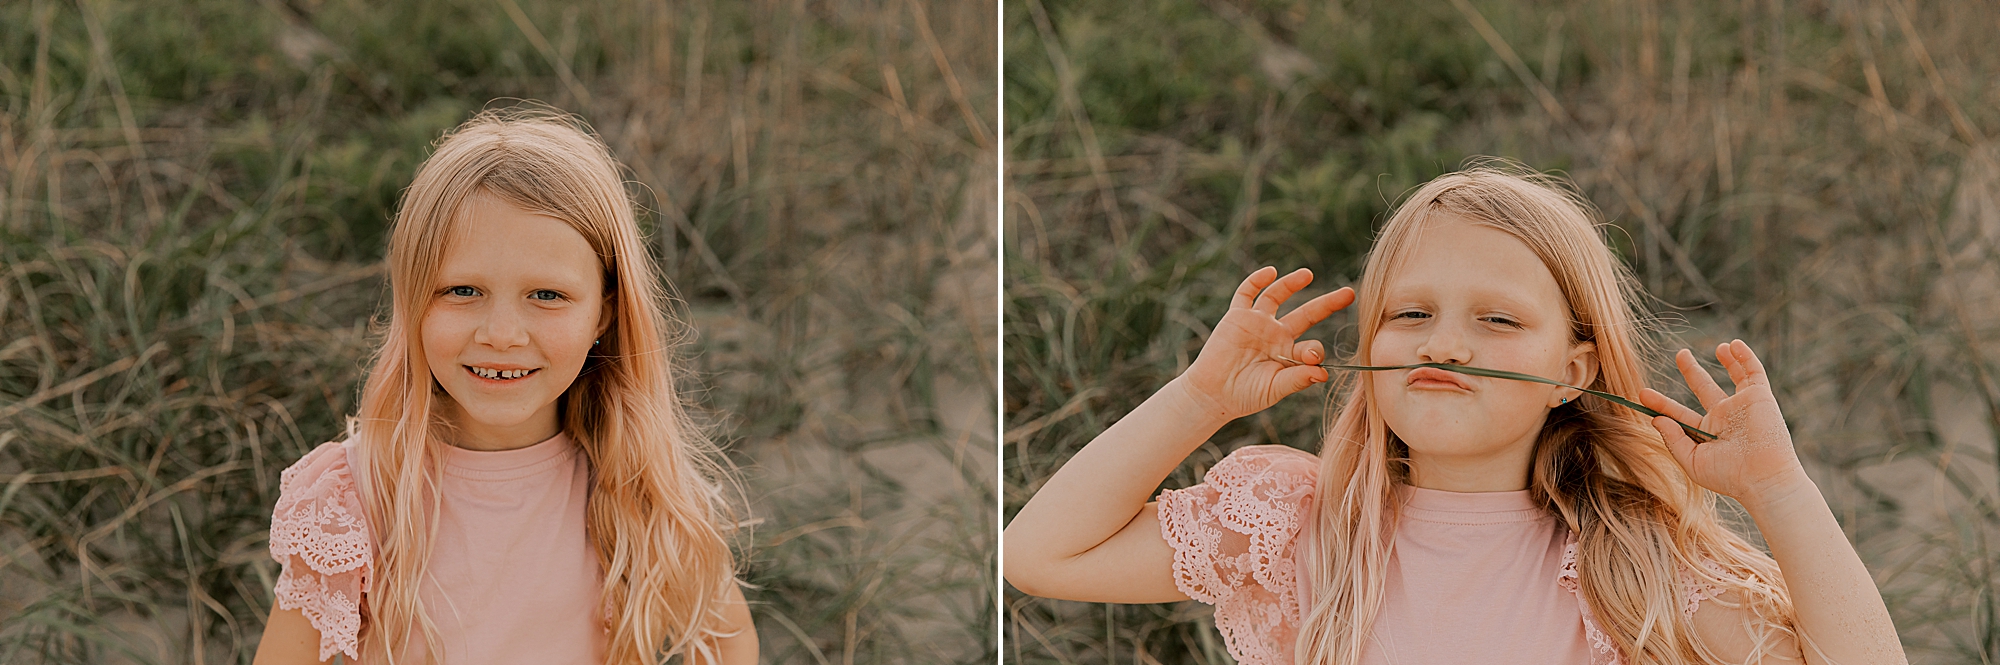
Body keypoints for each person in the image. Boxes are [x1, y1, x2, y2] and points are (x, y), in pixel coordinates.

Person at [1004, 163, 1905, 665]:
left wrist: (1779, 488)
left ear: (1572, 371)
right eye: (1411, 314)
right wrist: (1199, 397)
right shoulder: (1298, 525)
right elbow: (1042, 555)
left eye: (1500, 320)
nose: (1443, 345)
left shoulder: (1630, 566)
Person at [251, 108, 756, 665]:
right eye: (463, 290)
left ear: (603, 315)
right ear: (413, 301)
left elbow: (728, 638)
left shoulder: (636, 485)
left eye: (547, 296)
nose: (501, 335)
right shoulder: (357, 499)